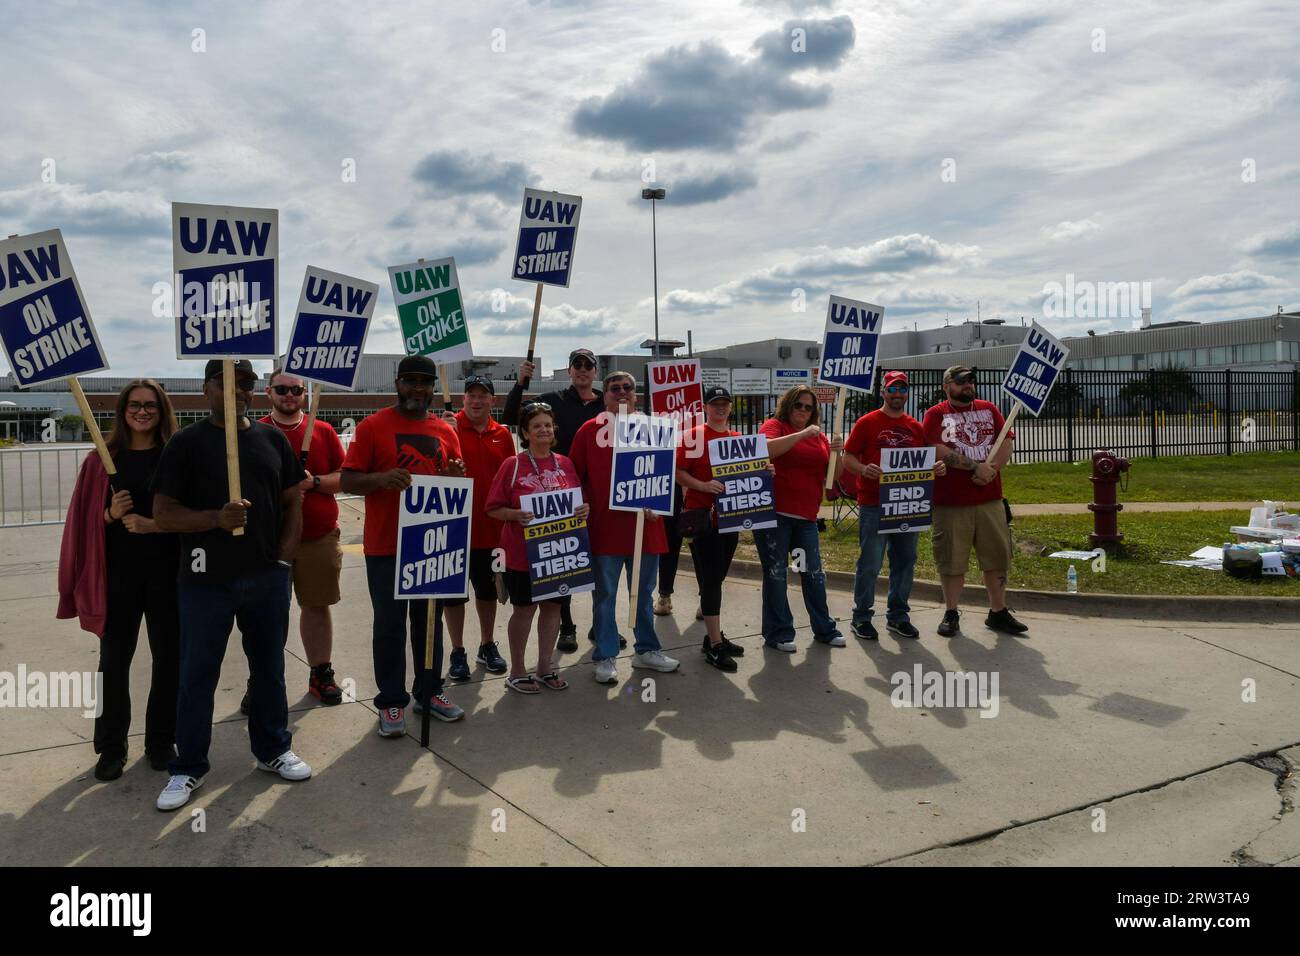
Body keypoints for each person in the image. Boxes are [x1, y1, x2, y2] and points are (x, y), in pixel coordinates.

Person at [151, 360, 309, 812]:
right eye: (227, 383)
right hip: (204, 582)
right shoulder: (186, 444)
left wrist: (284, 557)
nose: (237, 390)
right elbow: (164, 513)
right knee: (197, 676)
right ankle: (189, 768)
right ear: (207, 390)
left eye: (245, 384)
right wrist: (215, 519)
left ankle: (273, 749)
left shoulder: (270, 438)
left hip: (265, 578)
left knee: (269, 670)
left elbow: (292, 499)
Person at [57, 379, 180, 781]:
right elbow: (81, 523)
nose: (142, 411)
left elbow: (192, 515)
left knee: (169, 660)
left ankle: (162, 741)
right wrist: (109, 514)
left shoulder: (175, 456)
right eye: (134, 404)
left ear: (162, 411)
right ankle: (111, 747)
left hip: (168, 575)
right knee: (113, 662)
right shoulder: (102, 461)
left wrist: (155, 525)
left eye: (151, 405)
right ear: (122, 410)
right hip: (118, 576)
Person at [340, 355, 468, 738]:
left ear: (433, 387)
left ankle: (429, 692)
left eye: (424, 382)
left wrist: (454, 476)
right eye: (410, 381)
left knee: (428, 625)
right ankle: (391, 702)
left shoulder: (445, 430)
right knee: (390, 626)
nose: (417, 389)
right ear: (397, 383)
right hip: (386, 546)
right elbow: (348, 480)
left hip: (432, 543)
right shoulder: (372, 426)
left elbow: (453, 480)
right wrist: (381, 479)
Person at [570, 371, 680, 683]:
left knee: (643, 594)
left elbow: (665, 475)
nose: (622, 392)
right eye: (614, 388)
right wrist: (584, 504)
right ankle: (605, 656)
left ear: (637, 394)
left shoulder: (654, 430)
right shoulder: (589, 431)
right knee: (604, 596)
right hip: (604, 529)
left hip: (645, 529)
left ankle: (646, 650)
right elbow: (574, 476)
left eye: (627, 388)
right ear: (603, 395)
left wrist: (658, 505)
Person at [502, 348, 603, 651]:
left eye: (588, 365)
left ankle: (602, 624)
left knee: (598, 563)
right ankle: (568, 628)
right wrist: (520, 383)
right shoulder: (555, 400)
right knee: (562, 560)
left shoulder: (604, 403)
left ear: (595, 371)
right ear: (570, 371)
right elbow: (511, 416)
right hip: (557, 491)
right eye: (577, 365)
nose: (583, 370)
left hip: (594, 493)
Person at [256, 369, 346, 706]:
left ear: (306, 394)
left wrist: (314, 483)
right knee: (266, 611)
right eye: (282, 389)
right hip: (271, 538)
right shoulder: (258, 432)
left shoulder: (321, 431)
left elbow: (345, 476)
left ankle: (320, 673)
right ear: (269, 392)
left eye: (297, 390)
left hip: (317, 536)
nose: (290, 395)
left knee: (316, 605)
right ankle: (261, 678)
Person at [485, 403, 589, 692]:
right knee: (525, 610)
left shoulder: (565, 464)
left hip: (559, 554)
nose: (544, 430)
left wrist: (583, 510)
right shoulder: (513, 464)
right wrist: (515, 515)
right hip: (522, 555)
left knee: (554, 609)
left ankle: (545, 667)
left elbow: (577, 502)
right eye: (537, 426)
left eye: (548, 424)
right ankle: (517, 670)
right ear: (526, 433)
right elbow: (492, 508)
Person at [921, 365, 1028, 637]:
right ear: (947, 386)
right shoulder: (936, 414)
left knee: (996, 556)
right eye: (961, 382)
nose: (968, 385)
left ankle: (998, 612)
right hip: (951, 502)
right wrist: (974, 467)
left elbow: (1005, 442)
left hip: (989, 499)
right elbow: (934, 447)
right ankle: (951, 612)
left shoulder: (989, 408)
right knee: (952, 559)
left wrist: (991, 470)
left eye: (971, 381)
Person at [842, 371, 946, 641]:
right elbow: (848, 458)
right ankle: (861, 616)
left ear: (907, 393)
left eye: (902, 390)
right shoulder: (866, 422)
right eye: (892, 389)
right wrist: (864, 469)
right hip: (874, 505)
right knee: (870, 563)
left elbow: (925, 460)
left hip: (908, 505)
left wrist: (936, 467)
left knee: (906, 561)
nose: (897, 394)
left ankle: (898, 616)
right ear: (884, 393)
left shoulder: (915, 426)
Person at [754, 385, 846, 652]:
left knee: (812, 573)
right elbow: (764, 450)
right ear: (788, 405)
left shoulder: (819, 437)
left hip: (805, 519)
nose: (803, 411)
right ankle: (778, 632)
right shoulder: (775, 426)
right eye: (798, 405)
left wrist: (838, 451)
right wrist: (802, 434)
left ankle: (824, 628)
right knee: (776, 575)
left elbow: (835, 475)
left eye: (809, 407)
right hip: (775, 516)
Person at [674, 386, 748, 671]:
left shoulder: (738, 439)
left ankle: (713, 638)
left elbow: (748, 473)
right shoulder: (694, 436)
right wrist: (703, 486)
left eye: (725, 404)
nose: (720, 408)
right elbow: (678, 471)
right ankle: (715, 645)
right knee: (711, 581)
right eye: (715, 403)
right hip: (701, 517)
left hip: (730, 518)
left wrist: (765, 471)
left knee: (717, 577)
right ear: (705, 407)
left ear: (730, 408)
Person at [444, 375, 511, 681]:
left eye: (483, 395)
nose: (477, 400)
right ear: (463, 400)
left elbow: (510, 478)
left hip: (492, 530)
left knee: (488, 592)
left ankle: (487, 644)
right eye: (471, 395)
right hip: (455, 528)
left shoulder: (503, 434)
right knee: (453, 596)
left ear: (492, 401)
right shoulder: (447, 427)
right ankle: (457, 650)